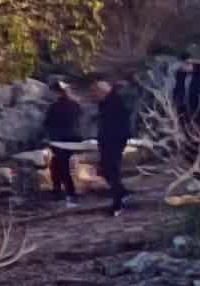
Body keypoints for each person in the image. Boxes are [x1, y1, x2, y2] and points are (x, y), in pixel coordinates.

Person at [92, 78, 133, 216]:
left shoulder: (116, 101)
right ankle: (122, 193)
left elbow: (119, 121)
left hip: (114, 139)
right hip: (107, 139)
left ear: (102, 91)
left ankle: (118, 202)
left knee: (111, 169)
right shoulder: (105, 102)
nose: (94, 95)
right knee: (106, 168)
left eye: (96, 92)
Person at [42, 81, 83, 208]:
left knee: (61, 166)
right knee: (56, 165)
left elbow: (47, 123)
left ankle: (70, 194)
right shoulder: (75, 104)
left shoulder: (56, 106)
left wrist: (48, 136)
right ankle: (58, 191)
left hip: (61, 140)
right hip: (71, 139)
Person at [170, 53, 200, 158]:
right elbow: (177, 89)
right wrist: (176, 102)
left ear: (189, 62)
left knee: (196, 133)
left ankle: (196, 158)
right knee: (186, 133)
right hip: (183, 109)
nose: (183, 68)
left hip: (198, 109)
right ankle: (188, 157)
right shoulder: (180, 74)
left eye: (184, 65)